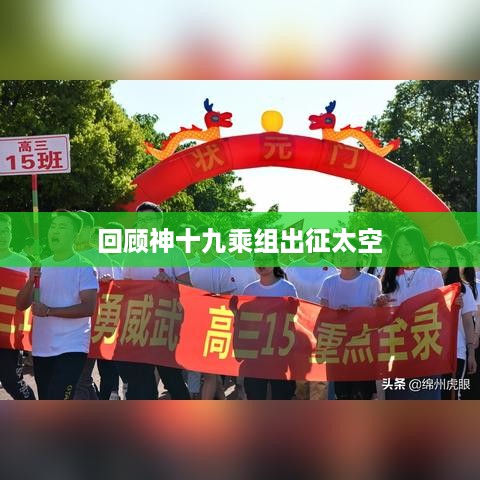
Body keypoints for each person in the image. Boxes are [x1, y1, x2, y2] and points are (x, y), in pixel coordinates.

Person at [16, 210, 99, 400]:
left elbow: (88, 308)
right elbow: (21, 304)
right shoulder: (40, 265)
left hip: (71, 346)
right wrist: (31, 280)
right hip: (42, 347)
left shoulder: (84, 266)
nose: (55, 231)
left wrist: (49, 311)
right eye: (53, 226)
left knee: (59, 399)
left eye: (62, 227)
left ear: (75, 235)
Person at [120, 202, 191, 400]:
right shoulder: (132, 254)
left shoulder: (173, 252)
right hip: (139, 324)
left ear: (160, 222)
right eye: (141, 221)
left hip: (165, 324)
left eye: (149, 220)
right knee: (141, 383)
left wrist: (169, 282)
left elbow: (189, 287)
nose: (145, 225)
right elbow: (125, 289)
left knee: (172, 379)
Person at [375, 227, 444, 400]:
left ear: (417, 245)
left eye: (407, 244)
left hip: (424, 344)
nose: (403, 249)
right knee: (399, 396)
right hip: (397, 345)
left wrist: (455, 303)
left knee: (425, 397)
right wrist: (380, 302)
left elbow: (441, 309)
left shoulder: (433, 275)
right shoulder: (390, 275)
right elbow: (384, 313)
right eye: (399, 246)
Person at [318, 241, 380, 400]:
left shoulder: (371, 282)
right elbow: (322, 316)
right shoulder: (329, 282)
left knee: (363, 395)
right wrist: (337, 314)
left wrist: (355, 315)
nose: (344, 256)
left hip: (363, 350)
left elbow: (377, 315)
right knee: (341, 395)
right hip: (338, 348)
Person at [189, 226, 237, 400]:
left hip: (214, 325)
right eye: (199, 240)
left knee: (209, 371)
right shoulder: (189, 267)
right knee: (197, 368)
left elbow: (228, 299)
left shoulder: (222, 267)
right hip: (192, 325)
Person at [241, 253, 298, 400]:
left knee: (281, 395)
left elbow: (294, 317)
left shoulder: (287, 288)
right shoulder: (249, 290)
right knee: (255, 395)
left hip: (279, 352)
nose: (261, 264)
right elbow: (245, 320)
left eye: (266, 259)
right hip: (255, 353)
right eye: (258, 260)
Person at [286, 251, 336, 400]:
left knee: (319, 376)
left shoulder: (331, 269)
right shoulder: (292, 268)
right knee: (301, 376)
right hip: (299, 327)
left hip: (323, 327)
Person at [429, 243, 476, 399]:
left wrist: (471, 352)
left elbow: (468, 322)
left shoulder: (463, 289)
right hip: (426, 350)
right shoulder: (424, 286)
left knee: (450, 395)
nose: (438, 263)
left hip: (455, 351)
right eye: (433, 259)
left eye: (442, 259)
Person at [0, 214, 36, 400]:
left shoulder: (23, 263)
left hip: (9, 335)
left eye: (6, 231)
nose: (3, 235)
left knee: (12, 381)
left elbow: (31, 298)